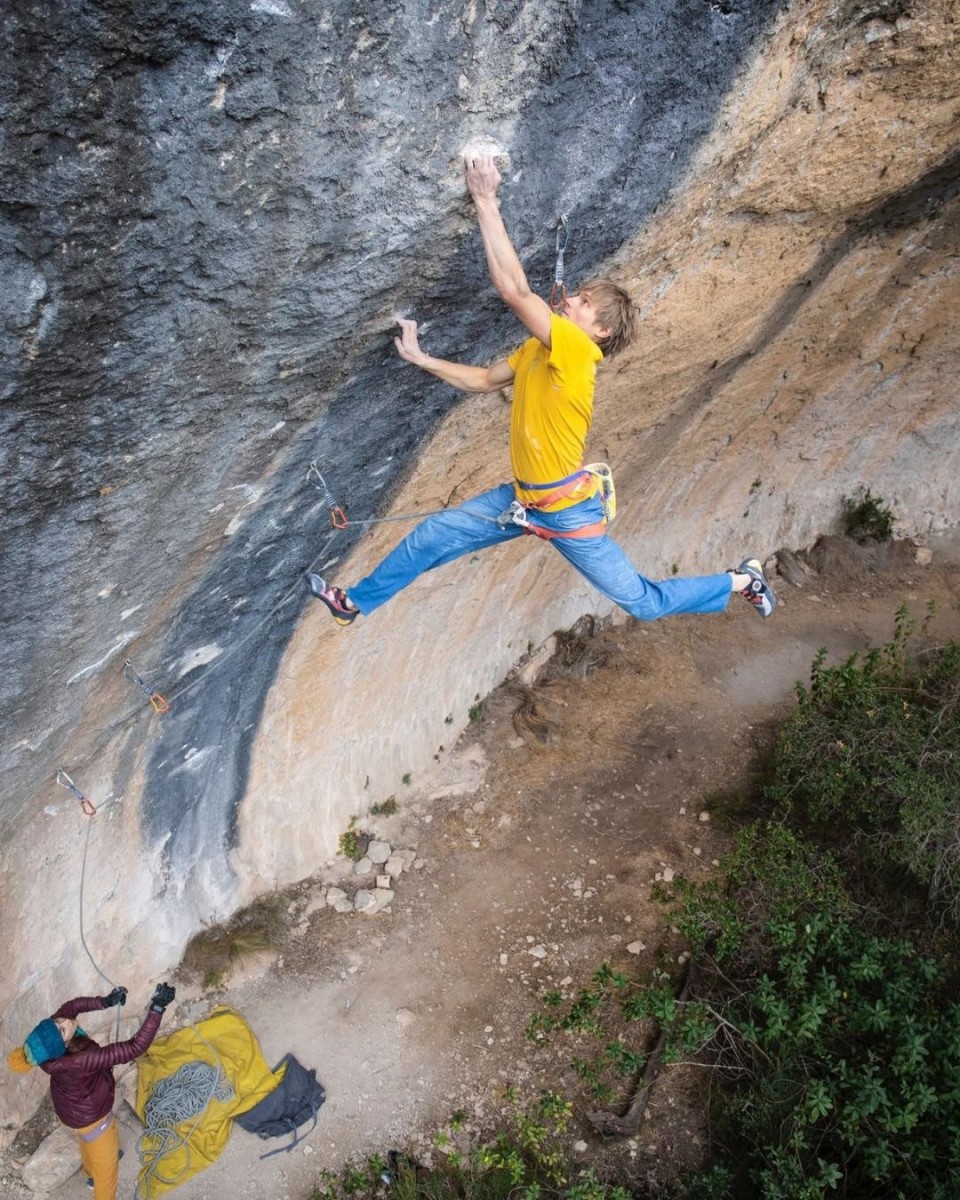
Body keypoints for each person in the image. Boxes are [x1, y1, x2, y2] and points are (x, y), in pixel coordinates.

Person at [306, 151, 775, 626]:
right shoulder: (540, 350)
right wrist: (422, 357)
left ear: (602, 332)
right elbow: (486, 380)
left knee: (643, 603)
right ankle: (355, 604)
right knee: (432, 536)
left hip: (566, 513)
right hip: (523, 499)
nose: (571, 300)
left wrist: (486, 200)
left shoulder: (577, 350)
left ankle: (742, 581)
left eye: (585, 302)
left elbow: (514, 291)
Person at [7, 982, 176, 1200]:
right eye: (62, 1028)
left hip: (73, 1111)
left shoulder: (51, 1046)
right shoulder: (79, 1061)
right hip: (92, 1117)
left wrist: (105, 1002)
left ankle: (90, 1173)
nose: (65, 1021)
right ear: (63, 1045)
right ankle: (99, 1180)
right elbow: (134, 1048)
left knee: (89, 1140)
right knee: (108, 1173)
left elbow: (72, 1006)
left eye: (57, 1021)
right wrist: (158, 1009)